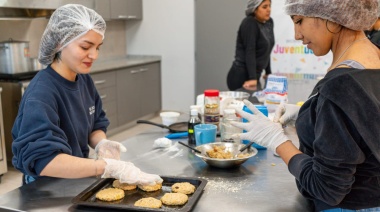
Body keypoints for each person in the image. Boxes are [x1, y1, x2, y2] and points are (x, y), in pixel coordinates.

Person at [231, 0, 380, 211]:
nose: (296, 35)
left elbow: (327, 188)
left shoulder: (340, 84)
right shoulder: (372, 59)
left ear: (334, 18)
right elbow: (363, 124)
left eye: (299, 21)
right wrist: (312, 113)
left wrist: (277, 140)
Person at [11, 4, 163, 186]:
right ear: (60, 42)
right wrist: (107, 167)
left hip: (75, 177)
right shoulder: (41, 93)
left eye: (98, 47)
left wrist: (101, 143)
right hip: (45, 187)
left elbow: (95, 123)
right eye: (85, 47)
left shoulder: (83, 80)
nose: (94, 55)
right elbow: (44, 161)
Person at [227, 0, 274, 91]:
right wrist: (252, 78)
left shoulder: (269, 22)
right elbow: (250, 50)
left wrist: (268, 72)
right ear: (254, 9)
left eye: (269, 6)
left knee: (256, 103)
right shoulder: (249, 23)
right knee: (245, 104)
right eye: (264, 7)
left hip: (255, 75)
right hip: (241, 76)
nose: (269, 9)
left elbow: (267, 49)